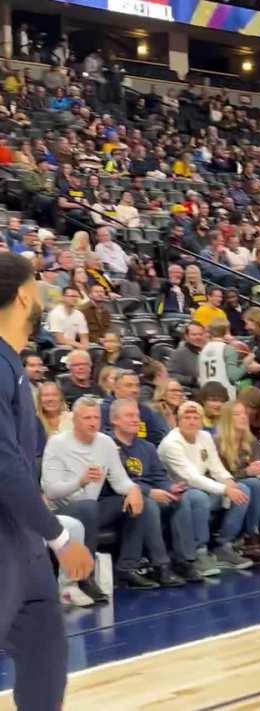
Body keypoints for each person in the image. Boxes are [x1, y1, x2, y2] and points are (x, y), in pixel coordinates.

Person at [0, 252, 92, 710]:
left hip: (21, 537)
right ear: (22, 296)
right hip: (7, 535)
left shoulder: (12, 364)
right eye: (36, 288)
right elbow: (4, 466)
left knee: (45, 648)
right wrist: (58, 536)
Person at [42, 396, 156, 594]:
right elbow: (51, 491)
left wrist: (133, 490)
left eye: (96, 417)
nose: (93, 422)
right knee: (89, 506)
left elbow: (119, 479)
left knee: (137, 502)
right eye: (87, 418)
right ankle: (86, 576)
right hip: (62, 511)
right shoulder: (57, 444)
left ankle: (127, 568)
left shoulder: (106, 443)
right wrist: (80, 481)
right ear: (75, 420)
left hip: (91, 509)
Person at [111, 399, 207, 583]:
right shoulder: (109, 446)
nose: (135, 419)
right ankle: (160, 565)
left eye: (137, 415)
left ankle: (183, 560)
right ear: (114, 419)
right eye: (129, 415)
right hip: (125, 498)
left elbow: (160, 476)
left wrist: (170, 487)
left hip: (153, 493)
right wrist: (149, 492)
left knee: (181, 499)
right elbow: (118, 480)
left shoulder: (147, 447)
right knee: (149, 505)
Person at [158, 401, 253, 570]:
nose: (192, 421)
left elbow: (215, 467)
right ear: (178, 420)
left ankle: (224, 545)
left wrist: (229, 481)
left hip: (202, 488)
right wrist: (225, 489)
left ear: (202, 421)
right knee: (199, 496)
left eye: (196, 418)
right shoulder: (171, 443)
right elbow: (190, 477)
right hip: (178, 492)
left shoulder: (205, 436)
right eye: (187, 417)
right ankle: (199, 551)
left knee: (242, 489)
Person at [216, 401, 260, 565]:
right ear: (227, 419)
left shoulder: (250, 441)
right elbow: (220, 477)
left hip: (249, 482)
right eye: (237, 414)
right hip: (226, 487)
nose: (243, 417)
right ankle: (249, 537)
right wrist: (247, 472)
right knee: (255, 484)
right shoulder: (217, 443)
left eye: (244, 413)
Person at [101, 370, 167, 446]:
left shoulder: (145, 411)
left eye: (137, 386)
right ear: (116, 388)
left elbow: (156, 437)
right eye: (129, 385)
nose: (135, 390)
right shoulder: (104, 410)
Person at [198, 319, 257, 400]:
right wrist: (247, 362)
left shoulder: (203, 350)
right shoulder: (228, 349)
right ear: (227, 331)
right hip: (224, 396)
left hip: (206, 395)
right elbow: (233, 376)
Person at [168, 321, 206, 388]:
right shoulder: (178, 353)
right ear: (186, 337)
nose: (198, 337)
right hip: (191, 391)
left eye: (200, 334)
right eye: (194, 335)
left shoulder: (210, 351)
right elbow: (172, 375)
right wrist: (193, 380)